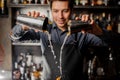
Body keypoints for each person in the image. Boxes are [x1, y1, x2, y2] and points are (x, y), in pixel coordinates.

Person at [9, 0, 108, 80]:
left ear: (72, 10)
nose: (60, 16)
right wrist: (23, 27)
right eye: (56, 11)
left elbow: (112, 43)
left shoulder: (82, 33)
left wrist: (98, 31)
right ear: (51, 10)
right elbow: (13, 36)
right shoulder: (43, 30)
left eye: (65, 11)